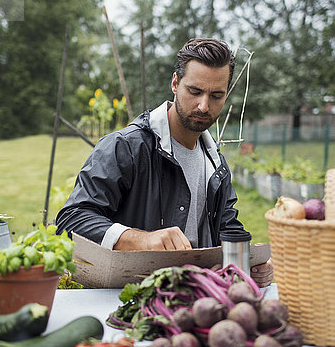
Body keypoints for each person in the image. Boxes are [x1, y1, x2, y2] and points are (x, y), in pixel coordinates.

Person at [56, 37, 274, 287]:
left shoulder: (217, 164)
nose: (204, 106)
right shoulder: (126, 147)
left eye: (216, 95)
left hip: (196, 300)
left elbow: (227, 227)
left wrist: (248, 264)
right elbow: (72, 219)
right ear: (175, 83)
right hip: (131, 300)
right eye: (194, 91)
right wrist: (140, 240)